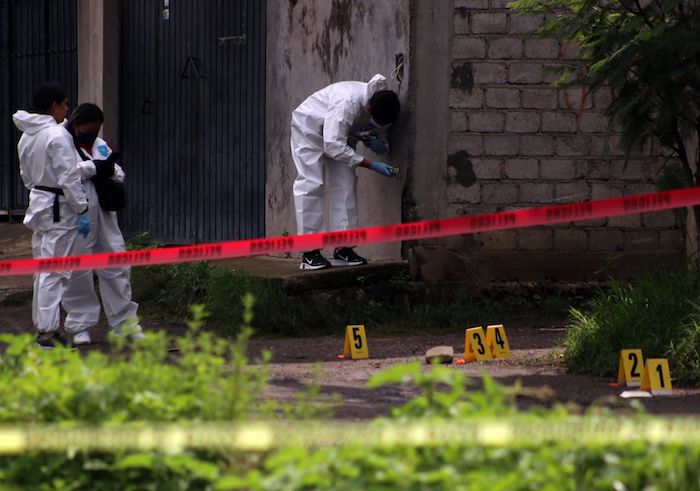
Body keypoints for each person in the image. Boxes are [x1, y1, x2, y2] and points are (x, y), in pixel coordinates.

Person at [291, 73, 401, 270]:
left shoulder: (383, 106)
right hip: (310, 127)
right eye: (374, 121)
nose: (375, 124)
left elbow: (381, 134)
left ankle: (343, 248)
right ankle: (310, 253)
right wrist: (371, 164)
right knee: (311, 183)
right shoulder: (347, 102)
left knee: (346, 184)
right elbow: (332, 145)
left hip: (340, 136)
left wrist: (380, 146)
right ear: (368, 109)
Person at [13, 82, 90, 349]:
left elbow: (26, 176)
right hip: (58, 208)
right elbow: (69, 176)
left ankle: (44, 330)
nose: (67, 110)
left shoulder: (27, 136)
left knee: (44, 270)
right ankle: (47, 333)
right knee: (54, 272)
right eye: (65, 104)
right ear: (54, 105)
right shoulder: (57, 135)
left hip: (40, 203)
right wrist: (81, 207)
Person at [61, 103, 144, 345]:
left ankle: (125, 325)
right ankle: (80, 326)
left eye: (96, 129)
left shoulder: (98, 144)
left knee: (117, 265)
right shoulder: (61, 142)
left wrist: (105, 169)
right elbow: (63, 174)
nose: (92, 133)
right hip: (77, 213)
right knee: (78, 269)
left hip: (105, 214)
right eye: (89, 129)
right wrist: (91, 167)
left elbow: (119, 173)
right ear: (77, 124)